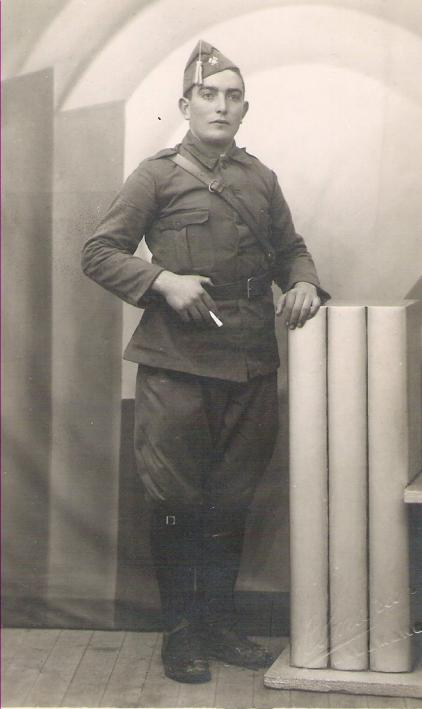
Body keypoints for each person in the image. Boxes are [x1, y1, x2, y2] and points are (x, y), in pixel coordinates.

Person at [81, 40, 329, 684]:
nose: (221, 106)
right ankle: (182, 633)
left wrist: (304, 282)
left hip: (250, 363)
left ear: (245, 109)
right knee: (177, 500)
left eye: (232, 96)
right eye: (208, 95)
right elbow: (99, 252)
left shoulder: (259, 179)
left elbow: (291, 249)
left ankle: (219, 625)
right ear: (185, 105)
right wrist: (162, 280)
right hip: (177, 365)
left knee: (233, 498)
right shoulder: (156, 176)